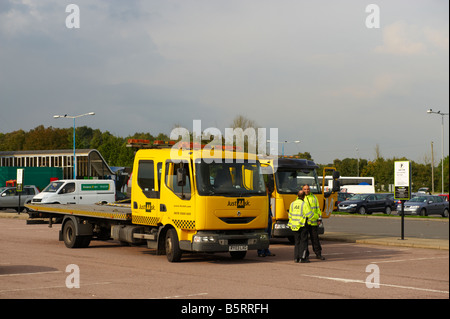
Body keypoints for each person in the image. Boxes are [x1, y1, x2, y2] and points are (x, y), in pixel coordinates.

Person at [288, 190, 314, 263]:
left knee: (297, 242)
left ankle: (296, 258)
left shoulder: (292, 204)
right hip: (302, 225)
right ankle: (302, 258)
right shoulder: (304, 204)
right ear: (304, 196)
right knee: (304, 242)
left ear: (297, 195)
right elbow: (309, 215)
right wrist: (315, 217)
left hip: (294, 225)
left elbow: (289, 215)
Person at [302, 184, 325, 260]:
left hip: (314, 222)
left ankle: (318, 254)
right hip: (304, 222)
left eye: (308, 189)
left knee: (315, 239)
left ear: (310, 189)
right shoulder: (300, 198)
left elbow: (318, 209)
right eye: (305, 189)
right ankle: (306, 255)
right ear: (302, 190)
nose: (306, 190)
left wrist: (319, 219)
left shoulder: (314, 197)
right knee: (305, 240)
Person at [258, 186, 275, 257]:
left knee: (268, 235)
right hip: (264, 217)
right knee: (263, 235)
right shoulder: (261, 197)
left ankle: (266, 250)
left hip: (268, 217)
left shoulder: (268, 196)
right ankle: (261, 251)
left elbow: (268, 206)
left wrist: (271, 215)